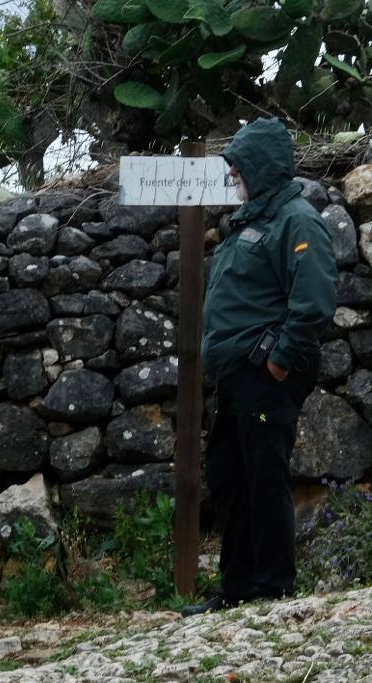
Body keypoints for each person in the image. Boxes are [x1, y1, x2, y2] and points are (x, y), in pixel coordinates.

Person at [183, 118, 337, 616]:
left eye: (240, 170)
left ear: (262, 168)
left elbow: (313, 302)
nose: (235, 180)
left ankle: (273, 588)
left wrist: (278, 361)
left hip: (263, 372)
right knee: (229, 475)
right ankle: (237, 586)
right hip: (237, 374)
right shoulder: (253, 221)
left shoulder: (297, 219)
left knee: (265, 475)